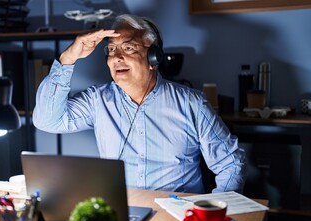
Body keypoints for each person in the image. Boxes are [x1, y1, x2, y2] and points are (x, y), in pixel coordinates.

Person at [33, 14, 247, 194]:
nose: (116, 57)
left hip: (177, 216)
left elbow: (231, 163)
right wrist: (68, 58)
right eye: (111, 50)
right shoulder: (97, 101)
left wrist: (214, 210)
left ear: (154, 58)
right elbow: (47, 121)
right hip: (124, 215)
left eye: (128, 48)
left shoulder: (192, 103)